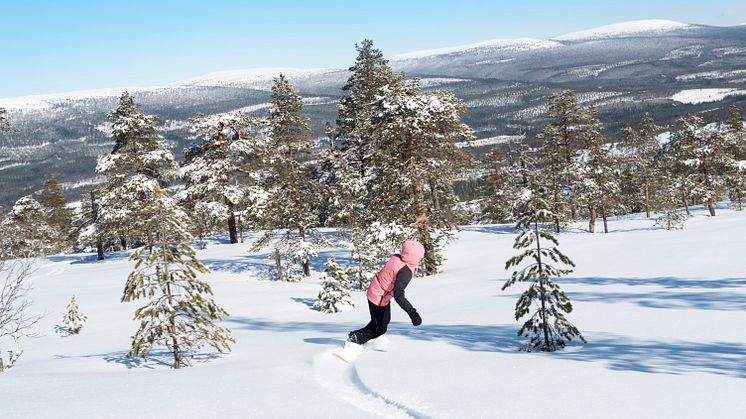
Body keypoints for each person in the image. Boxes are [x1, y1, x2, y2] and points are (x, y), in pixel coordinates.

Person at [348, 239, 425, 345]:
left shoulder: (398, 257)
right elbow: (398, 295)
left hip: (378, 291)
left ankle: (359, 336)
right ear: (414, 257)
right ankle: (355, 339)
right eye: (420, 255)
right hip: (378, 296)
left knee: (383, 321)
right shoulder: (405, 272)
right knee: (380, 329)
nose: (421, 257)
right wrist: (412, 312)